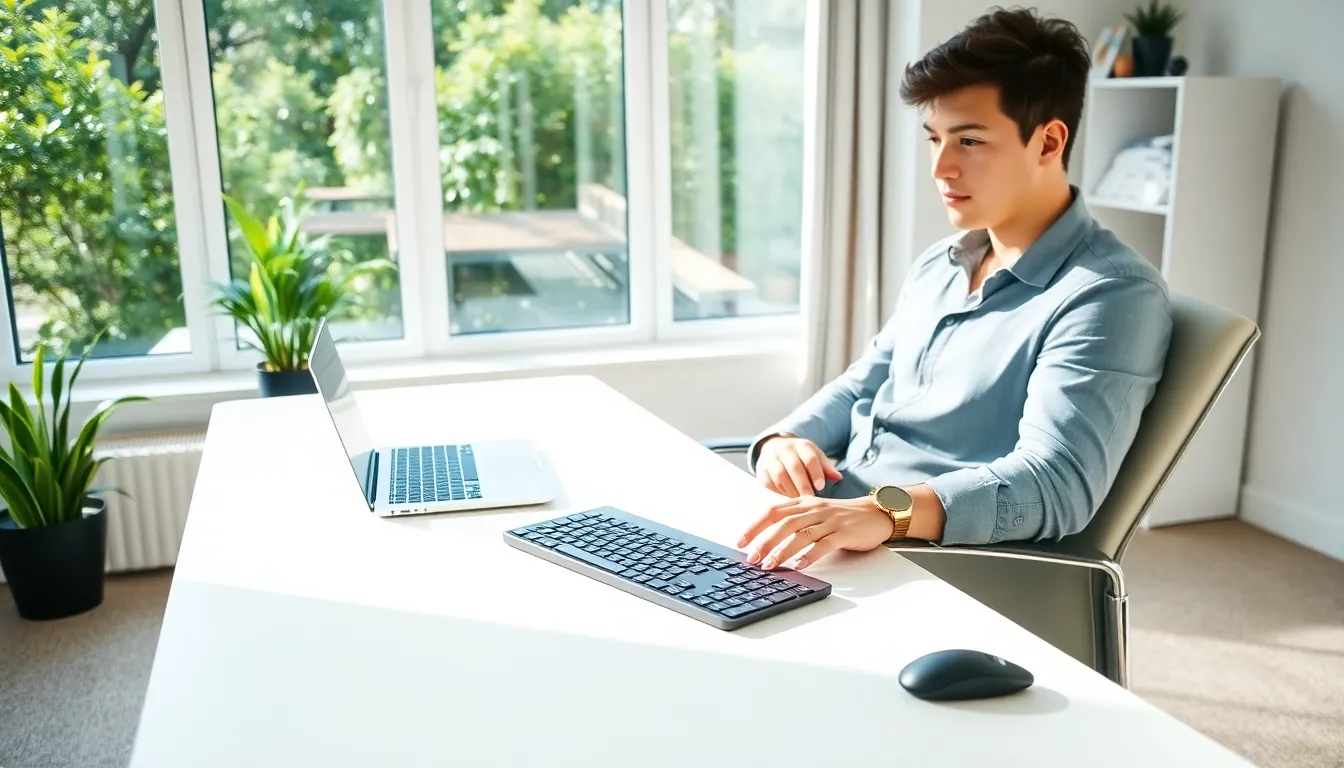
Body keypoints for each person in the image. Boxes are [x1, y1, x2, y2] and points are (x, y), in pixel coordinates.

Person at [737, 7, 1172, 572]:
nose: (941, 167)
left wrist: (884, 512)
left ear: (1047, 141)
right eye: (934, 139)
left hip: (927, 558)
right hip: (839, 522)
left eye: (968, 141)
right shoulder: (939, 265)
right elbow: (865, 383)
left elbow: (1057, 483)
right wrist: (785, 440)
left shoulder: (1110, 294)